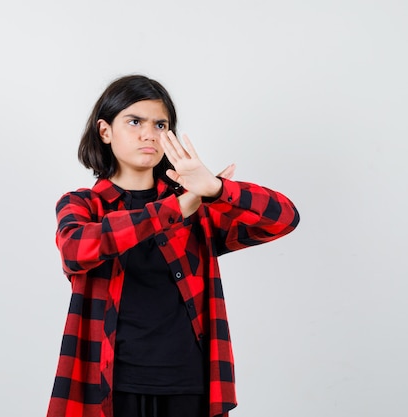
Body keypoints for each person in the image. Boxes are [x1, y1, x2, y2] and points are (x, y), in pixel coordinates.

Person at [46, 74, 299, 417]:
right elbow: (77, 250)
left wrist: (216, 189)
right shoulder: (84, 204)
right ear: (105, 131)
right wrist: (174, 209)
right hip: (111, 385)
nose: (149, 134)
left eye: (160, 124)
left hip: (189, 384)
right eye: (134, 121)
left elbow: (284, 218)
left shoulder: (198, 206)